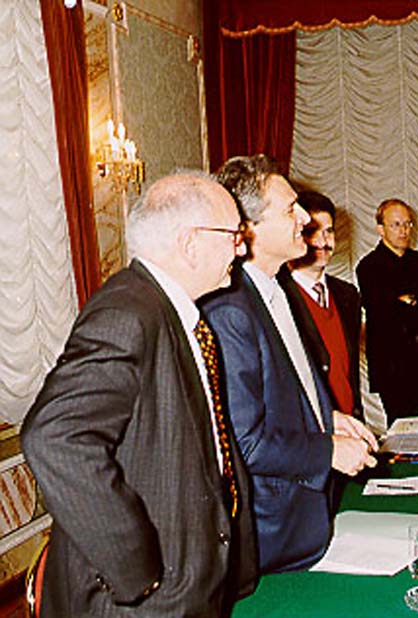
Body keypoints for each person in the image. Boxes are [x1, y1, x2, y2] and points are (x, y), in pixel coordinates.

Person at [21, 172, 257, 616]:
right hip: (140, 603)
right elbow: (53, 437)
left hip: (186, 579)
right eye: (234, 235)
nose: (242, 249)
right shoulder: (128, 312)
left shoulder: (168, 310)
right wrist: (135, 570)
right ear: (190, 243)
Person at [201, 155, 378, 574]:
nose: (305, 218)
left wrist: (328, 418)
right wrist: (329, 449)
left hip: (309, 516)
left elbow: (286, 389)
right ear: (249, 228)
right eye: (290, 209)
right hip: (272, 536)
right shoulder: (230, 310)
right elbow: (245, 443)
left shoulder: (277, 289)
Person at [356, 198, 418, 426]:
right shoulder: (369, 267)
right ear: (380, 229)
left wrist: (413, 300)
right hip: (392, 367)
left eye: (408, 224)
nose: (404, 230)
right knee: (401, 429)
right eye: (396, 224)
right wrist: (417, 301)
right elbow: (382, 310)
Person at [281, 190, 362, 419]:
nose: (323, 241)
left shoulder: (347, 295)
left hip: (351, 424)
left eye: (329, 231)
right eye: (311, 232)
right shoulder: (278, 295)